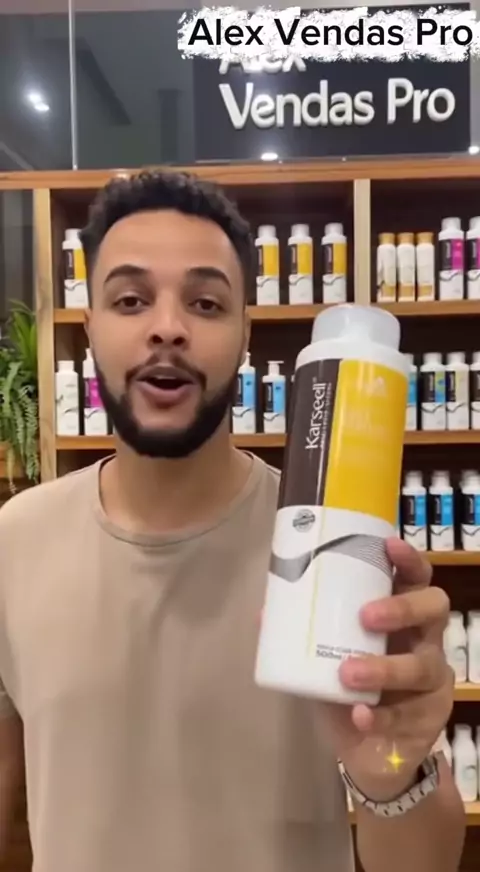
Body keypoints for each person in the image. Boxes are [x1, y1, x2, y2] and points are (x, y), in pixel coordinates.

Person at [0, 170, 465, 872]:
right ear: (89, 328)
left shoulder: (337, 549)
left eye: (205, 302)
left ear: (245, 333)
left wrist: (394, 769)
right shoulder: (16, 540)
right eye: (130, 300)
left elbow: (423, 864)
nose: (167, 326)